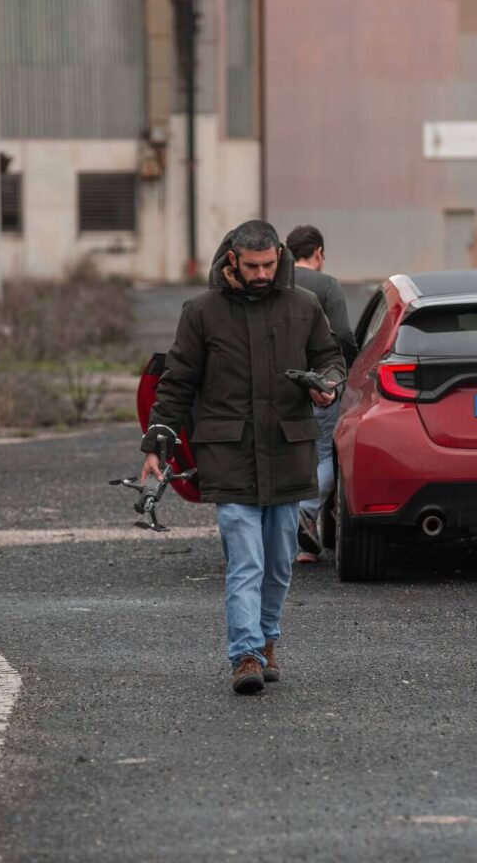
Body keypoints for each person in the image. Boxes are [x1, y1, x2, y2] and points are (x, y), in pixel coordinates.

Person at [140, 220, 345, 695]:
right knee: (246, 559)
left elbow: (331, 358)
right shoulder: (202, 312)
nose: (261, 274)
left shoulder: (305, 305)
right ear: (232, 258)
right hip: (229, 454)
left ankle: (268, 639)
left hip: (288, 452)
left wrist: (328, 387)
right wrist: (156, 443)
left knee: (278, 562)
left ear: (279, 256)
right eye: (252, 266)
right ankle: (245, 654)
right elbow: (177, 382)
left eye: (269, 265)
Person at [283, 225, 358, 563]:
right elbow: (342, 334)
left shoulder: (274, 283)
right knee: (325, 453)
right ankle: (305, 512)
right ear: (319, 253)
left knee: (283, 454)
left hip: (277, 384)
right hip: (317, 383)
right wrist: (347, 371)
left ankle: (292, 540)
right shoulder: (327, 286)